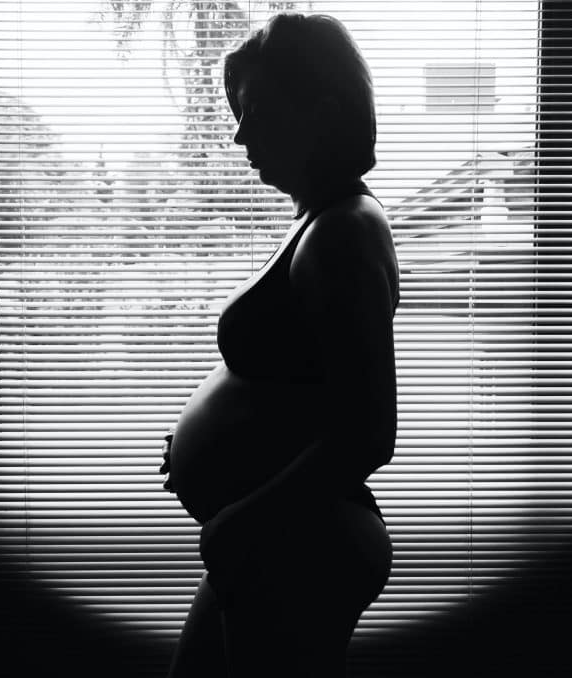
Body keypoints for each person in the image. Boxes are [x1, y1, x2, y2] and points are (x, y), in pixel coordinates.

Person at [158, 13, 399, 678]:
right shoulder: (326, 220)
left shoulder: (341, 235)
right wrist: (203, 445)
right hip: (276, 543)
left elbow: (367, 433)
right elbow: (295, 386)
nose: (239, 134)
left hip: (296, 546)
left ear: (321, 110)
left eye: (258, 110)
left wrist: (244, 520)